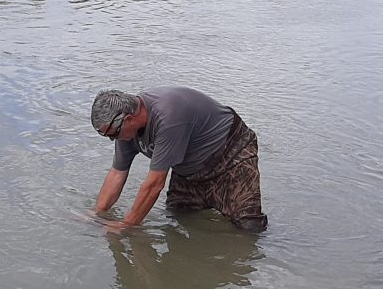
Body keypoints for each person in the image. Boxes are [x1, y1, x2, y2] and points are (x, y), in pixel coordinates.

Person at [90, 87, 267, 231]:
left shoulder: (167, 117)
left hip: (231, 153)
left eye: (112, 135)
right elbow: (117, 174)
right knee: (179, 219)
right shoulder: (124, 131)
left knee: (248, 228)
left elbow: (154, 184)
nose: (113, 140)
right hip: (188, 169)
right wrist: (96, 214)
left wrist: (127, 225)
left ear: (128, 119)